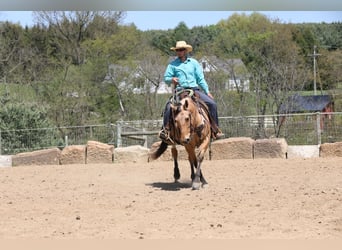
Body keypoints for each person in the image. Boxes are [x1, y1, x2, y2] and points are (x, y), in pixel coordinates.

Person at [159, 41, 225, 143]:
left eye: (181, 50)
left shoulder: (194, 63)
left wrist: (207, 91)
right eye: (177, 50)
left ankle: (215, 129)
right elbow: (166, 78)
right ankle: (166, 130)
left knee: (212, 104)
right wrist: (172, 79)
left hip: (194, 90)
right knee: (168, 107)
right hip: (180, 91)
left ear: (185, 51)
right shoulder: (172, 65)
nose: (179, 52)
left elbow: (200, 79)